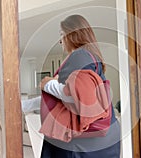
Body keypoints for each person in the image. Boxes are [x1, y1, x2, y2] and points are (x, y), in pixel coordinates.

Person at [39, 14, 121, 158]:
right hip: (104, 139)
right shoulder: (93, 57)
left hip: (83, 144)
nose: (60, 41)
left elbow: (76, 97)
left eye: (62, 34)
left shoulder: (79, 55)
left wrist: (48, 84)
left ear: (72, 35)